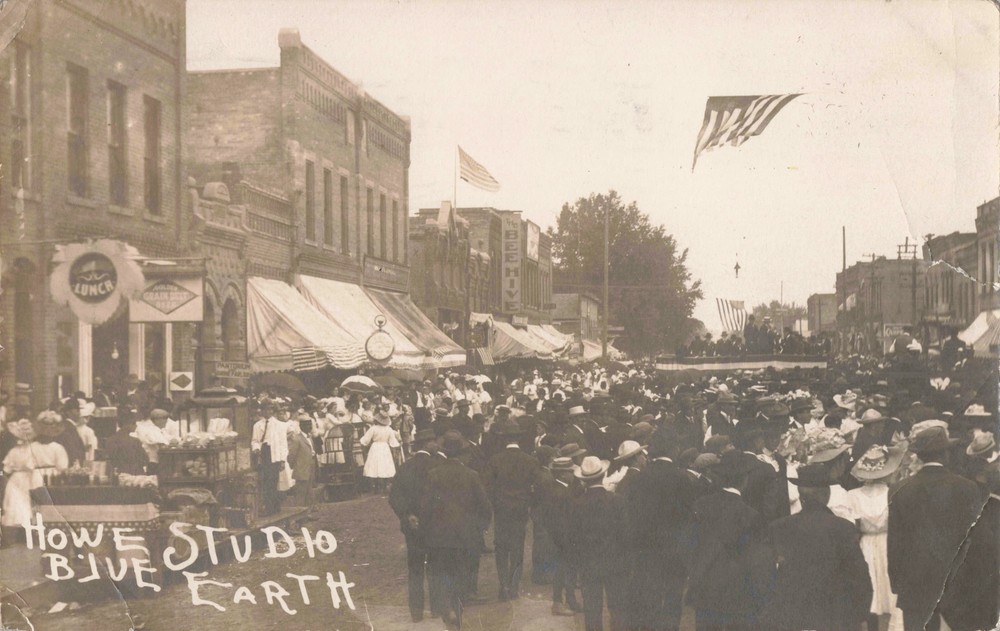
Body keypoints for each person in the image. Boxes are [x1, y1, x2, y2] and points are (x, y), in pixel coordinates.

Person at [888, 426, 986, 631]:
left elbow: (895, 541)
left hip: (914, 577)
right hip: (957, 576)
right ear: (945, 453)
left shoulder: (899, 489)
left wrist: (896, 581)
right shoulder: (966, 487)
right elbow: (976, 539)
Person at [760, 463, 872, 631]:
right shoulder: (843, 528)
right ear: (825, 494)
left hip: (790, 616)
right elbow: (859, 576)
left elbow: (767, 575)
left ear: (800, 494)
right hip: (833, 616)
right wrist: (861, 615)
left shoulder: (778, 528)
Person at [685, 451, 769, 630]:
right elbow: (757, 562)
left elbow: (689, 544)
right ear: (744, 480)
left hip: (704, 585)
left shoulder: (700, 505)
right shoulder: (751, 515)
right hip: (739, 591)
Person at [420, 430, 492, 629]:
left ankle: (447, 607)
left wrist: (427, 530)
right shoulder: (471, 475)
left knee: (442, 572)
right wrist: (480, 528)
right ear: (462, 454)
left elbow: (425, 508)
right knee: (461, 575)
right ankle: (457, 615)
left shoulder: (433, 474)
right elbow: (485, 507)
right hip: (466, 536)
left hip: (440, 536)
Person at [480, 419, 542, 602]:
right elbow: (537, 486)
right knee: (517, 546)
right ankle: (514, 587)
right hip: (521, 508)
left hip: (501, 509)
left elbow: (486, 486)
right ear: (519, 439)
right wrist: (529, 501)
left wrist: (496, 502)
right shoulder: (529, 460)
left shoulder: (495, 460)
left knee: (501, 546)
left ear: (503, 439)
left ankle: (504, 585)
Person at [845, 444, 905, 631]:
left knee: (870, 585)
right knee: (888, 587)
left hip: (865, 543)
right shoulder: (894, 492)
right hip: (888, 542)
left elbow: (852, 527)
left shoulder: (852, 495)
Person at [568, 456, 627, 631]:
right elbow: (625, 533)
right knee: (617, 608)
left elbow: (572, 537)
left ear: (584, 481)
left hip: (588, 564)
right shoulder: (616, 500)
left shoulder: (576, 504)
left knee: (592, 609)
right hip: (615, 562)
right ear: (603, 476)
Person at [389, 429, 441, 622]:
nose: (437, 445)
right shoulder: (437, 465)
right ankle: (437, 608)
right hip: (435, 525)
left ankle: (416, 613)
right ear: (427, 444)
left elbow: (394, 497)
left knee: (416, 569)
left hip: (413, 527)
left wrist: (407, 515)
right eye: (434, 441)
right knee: (436, 567)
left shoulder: (405, 467)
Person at [2, 415, 69, 540]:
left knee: (33, 504)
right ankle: (38, 531)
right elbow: (62, 467)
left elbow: (7, 470)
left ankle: (38, 531)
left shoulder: (43, 447)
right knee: (34, 504)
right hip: (38, 476)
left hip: (37, 476)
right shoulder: (34, 447)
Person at [251, 400, 289, 517]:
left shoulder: (279, 425)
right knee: (265, 481)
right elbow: (255, 440)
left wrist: (282, 460)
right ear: (262, 411)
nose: (268, 412)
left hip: (275, 454)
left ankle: (273, 507)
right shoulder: (257, 425)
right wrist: (256, 448)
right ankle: (270, 506)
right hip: (264, 453)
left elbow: (283, 443)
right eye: (266, 409)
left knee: (273, 481)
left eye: (270, 409)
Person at [359, 411, 399, 495]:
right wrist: (394, 449)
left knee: (375, 466)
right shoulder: (388, 429)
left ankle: (376, 487)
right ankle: (384, 487)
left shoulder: (373, 428)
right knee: (384, 466)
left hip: (376, 447)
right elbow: (393, 441)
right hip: (385, 448)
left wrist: (363, 443)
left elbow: (366, 439)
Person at [103, 410, 148, 475]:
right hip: (134, 474)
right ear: (127, 424)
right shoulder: (134, 441)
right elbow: (145, 460)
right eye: (134, 423)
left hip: (117, 474)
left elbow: (110, 460)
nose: (136, 426)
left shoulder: (110, 440)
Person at [286, 415, 317, 507]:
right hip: (301, 469)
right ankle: (299, 513)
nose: (310, 427)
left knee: (308, 491)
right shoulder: (297, 439)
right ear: (301, 426)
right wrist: (296, 466)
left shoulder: (309, 437)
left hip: (310, 467)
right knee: (300, 493)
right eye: (307, 425)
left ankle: (308, 512)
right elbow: (291, 455)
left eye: (310, 424)